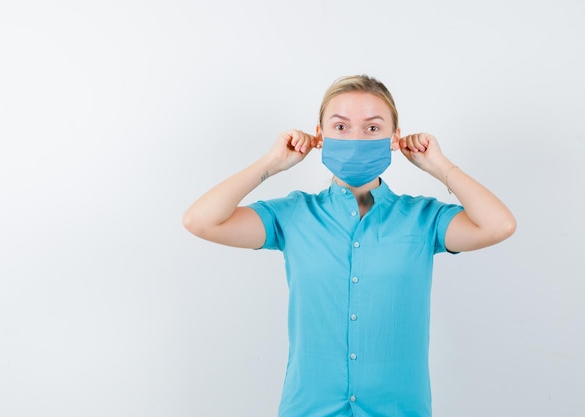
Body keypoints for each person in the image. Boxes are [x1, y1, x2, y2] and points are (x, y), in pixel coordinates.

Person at [182, 74, 516, 417]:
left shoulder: (423, 218)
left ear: (394, 138)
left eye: (372, 128)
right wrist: (270, 164)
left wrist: (440, 166)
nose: (356, 138)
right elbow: (201, 221)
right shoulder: (294, 214)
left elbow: (498, 225)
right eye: (341, 127)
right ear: (321, 136)